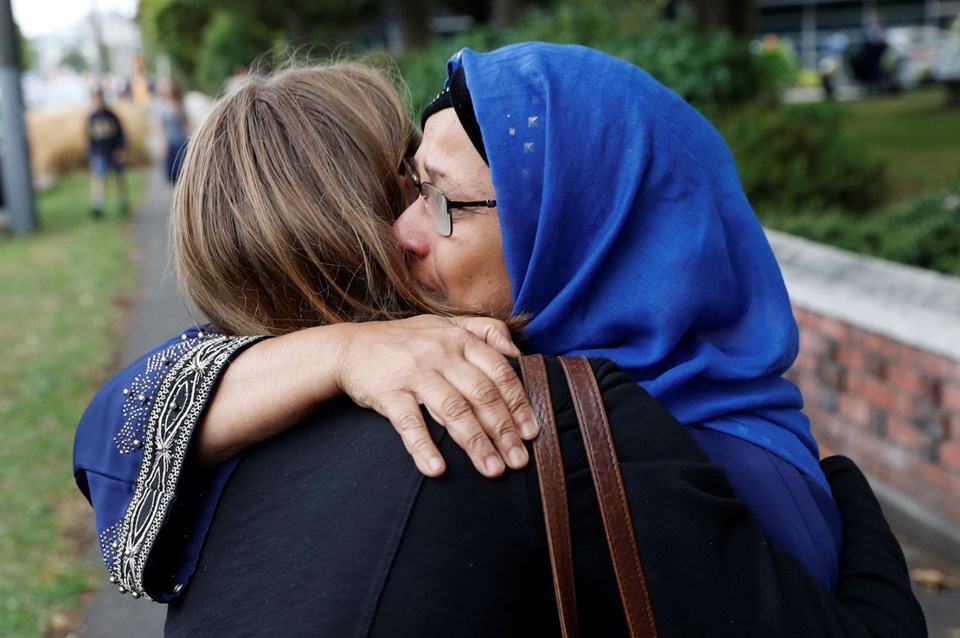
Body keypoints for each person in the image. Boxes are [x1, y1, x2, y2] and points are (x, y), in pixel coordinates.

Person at [73, 53, 920, 630]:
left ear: (573, 225)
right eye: (409, 187)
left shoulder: (607, 429)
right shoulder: (502, 395)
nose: (405, 231)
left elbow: (111, 434)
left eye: (432, 193)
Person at [87, 88, 129, 218]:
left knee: (119, 177)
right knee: (99, 178)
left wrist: (121, 149)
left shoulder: (111, 116)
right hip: (100, 152)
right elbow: (90, 137)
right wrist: (91, 153)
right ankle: (98, 205)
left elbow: (120, 134)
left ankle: (123, 201)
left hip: (113, 151)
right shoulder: (92, 117)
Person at [154, 79, 189, 183]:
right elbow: (160, 127)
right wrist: (163, 143)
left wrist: (178, 110)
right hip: (169, 142)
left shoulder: (180, 104)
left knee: (182, 170)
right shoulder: (162, 107)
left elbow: (186, 122)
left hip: (181, 141)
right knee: (171, 173)